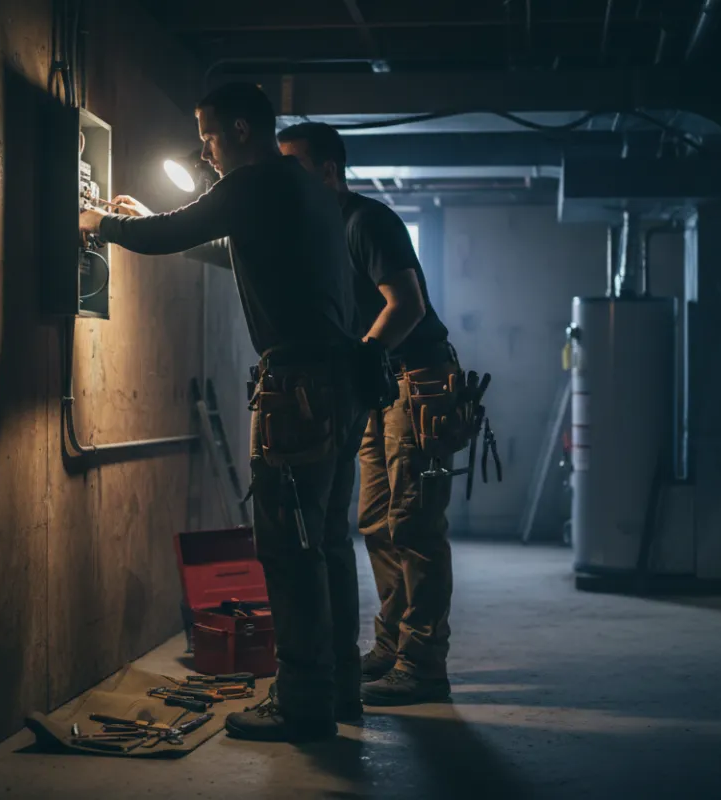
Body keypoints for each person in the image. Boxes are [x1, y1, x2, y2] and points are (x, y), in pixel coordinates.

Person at [80, 83, 367, 742]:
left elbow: (182, 230)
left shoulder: (253, 182)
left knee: (289, 551)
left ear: (240, 129)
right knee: (324, 543)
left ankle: (301, 704)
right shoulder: (309, 193)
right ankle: (338, 690)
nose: (205, 151)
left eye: (208, 134)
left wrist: (103, 225)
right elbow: (223, 243)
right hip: (339, 384)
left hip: (297, 392)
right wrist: (145, 217)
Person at [277, 122, 458, 707]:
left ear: (329, 170)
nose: (287, 180)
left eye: (296, 166)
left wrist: (364, 358)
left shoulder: (365, 221)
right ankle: (390, 647)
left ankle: (424, 662)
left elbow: (406, 303)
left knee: (415, 524)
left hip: (415, 377)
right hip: (376, 382)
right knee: (376, 522)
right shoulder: (315, 230)